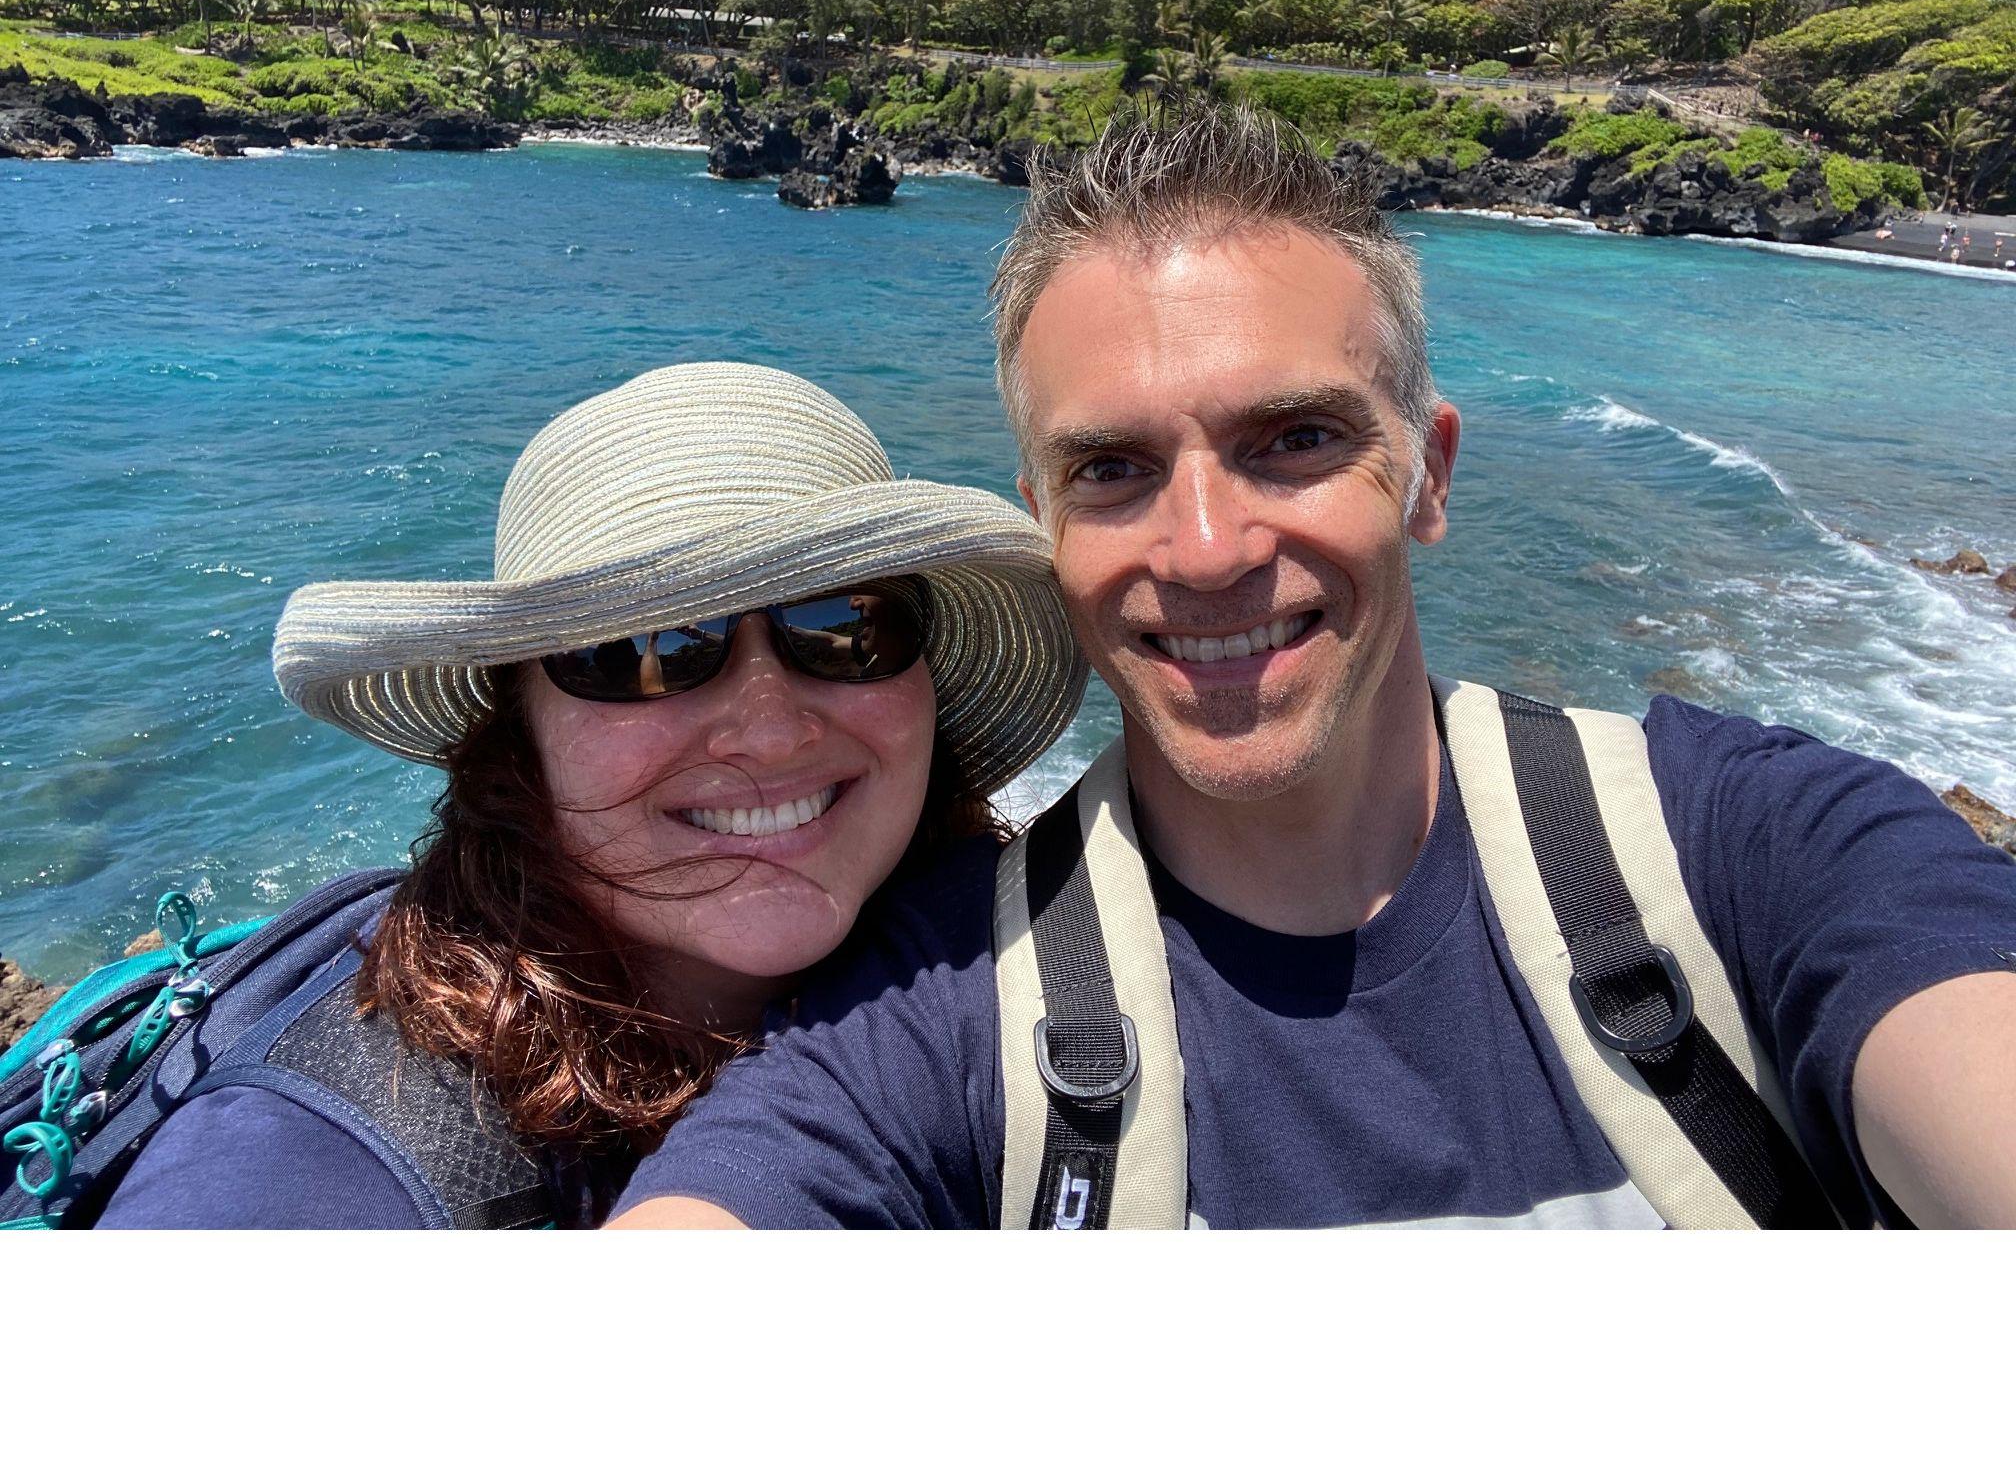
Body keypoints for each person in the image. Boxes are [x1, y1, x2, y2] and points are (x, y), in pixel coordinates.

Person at [611, 108, 2016, 1232]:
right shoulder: (942, 1011)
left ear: (1428, 474)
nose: (1209, 547)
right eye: (1112, 469)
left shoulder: (1756, 854)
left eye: (1293, 440)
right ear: (1043, 525)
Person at [93, 362, 1085, 1227]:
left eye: (845, 626)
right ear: (514, 735)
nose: (772, 726)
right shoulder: (324, 1164)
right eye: (646, 651)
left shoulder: (1009, 952)